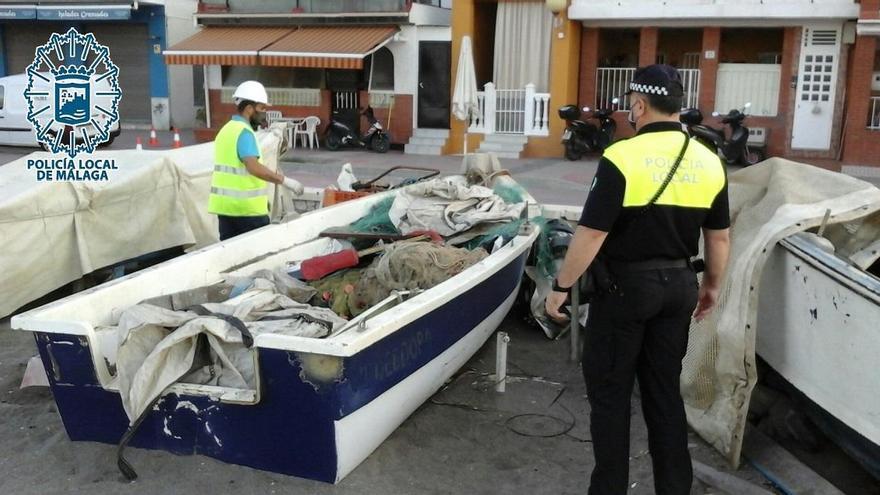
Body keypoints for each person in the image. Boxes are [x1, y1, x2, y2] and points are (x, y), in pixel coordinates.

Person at [545, 64, 731, 495]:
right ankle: (674, 488)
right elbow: (718, 237)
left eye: (632, 104)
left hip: (626, 291)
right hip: (680, 287)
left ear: (640, 104)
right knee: (664, 392)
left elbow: (591, 233)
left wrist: (560, 288)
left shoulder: (621, 157)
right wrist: (712, 288)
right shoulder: (708, 159)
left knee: (611, 395)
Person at [208, 80, 305, 241]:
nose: (264, 113)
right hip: (248, 213)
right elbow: (253, 167)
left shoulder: (226, 130)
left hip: (225, 210)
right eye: (261, 108)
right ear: (248, 109)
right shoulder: (245, 133)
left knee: (232, 259)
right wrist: (285, 181)